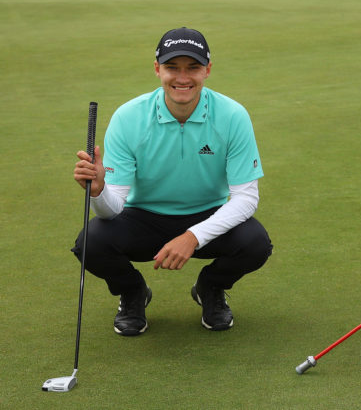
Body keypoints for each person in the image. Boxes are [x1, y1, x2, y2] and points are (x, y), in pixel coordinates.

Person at [72, 27, 272, 336]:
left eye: (192, 67)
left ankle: (211, 286)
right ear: (157, 69)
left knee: (255, 243)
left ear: (207, 70)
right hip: (143, 218)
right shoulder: (129, 117)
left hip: (208, 214)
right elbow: (111, 210)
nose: (182, 78)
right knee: (91, 243)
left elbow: (246, 198)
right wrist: (99, 190)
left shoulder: (232, 116)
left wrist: (192, 236)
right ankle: (133, 292)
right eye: (172, 68)